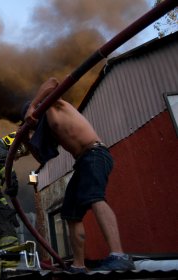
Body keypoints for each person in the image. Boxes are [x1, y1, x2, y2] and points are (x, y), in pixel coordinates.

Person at [22, 77, 135, 273]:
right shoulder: (49, 129)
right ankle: (78, 265)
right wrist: (25, 135)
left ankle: (119, 255)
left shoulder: (53, 104)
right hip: (82, 162)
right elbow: (42, 157)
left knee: (94, 196)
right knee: (70, 213)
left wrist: (32, 105)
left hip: (96, 153)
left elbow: (53, 82)